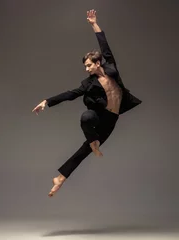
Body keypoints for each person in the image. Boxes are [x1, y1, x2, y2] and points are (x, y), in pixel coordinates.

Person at [32, 9, 142, 197]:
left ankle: (59, 180)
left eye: (89, 65)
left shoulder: (111, 68)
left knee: (84, 151)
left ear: (98, 63)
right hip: (99, 116)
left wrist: (94, 24)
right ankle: (93, 142)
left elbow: (104, 43)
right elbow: (71, 94)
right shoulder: (88, 84)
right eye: (85, 66)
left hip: (112, 119)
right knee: (86, 116)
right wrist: (47, 102)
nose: (86, 68)